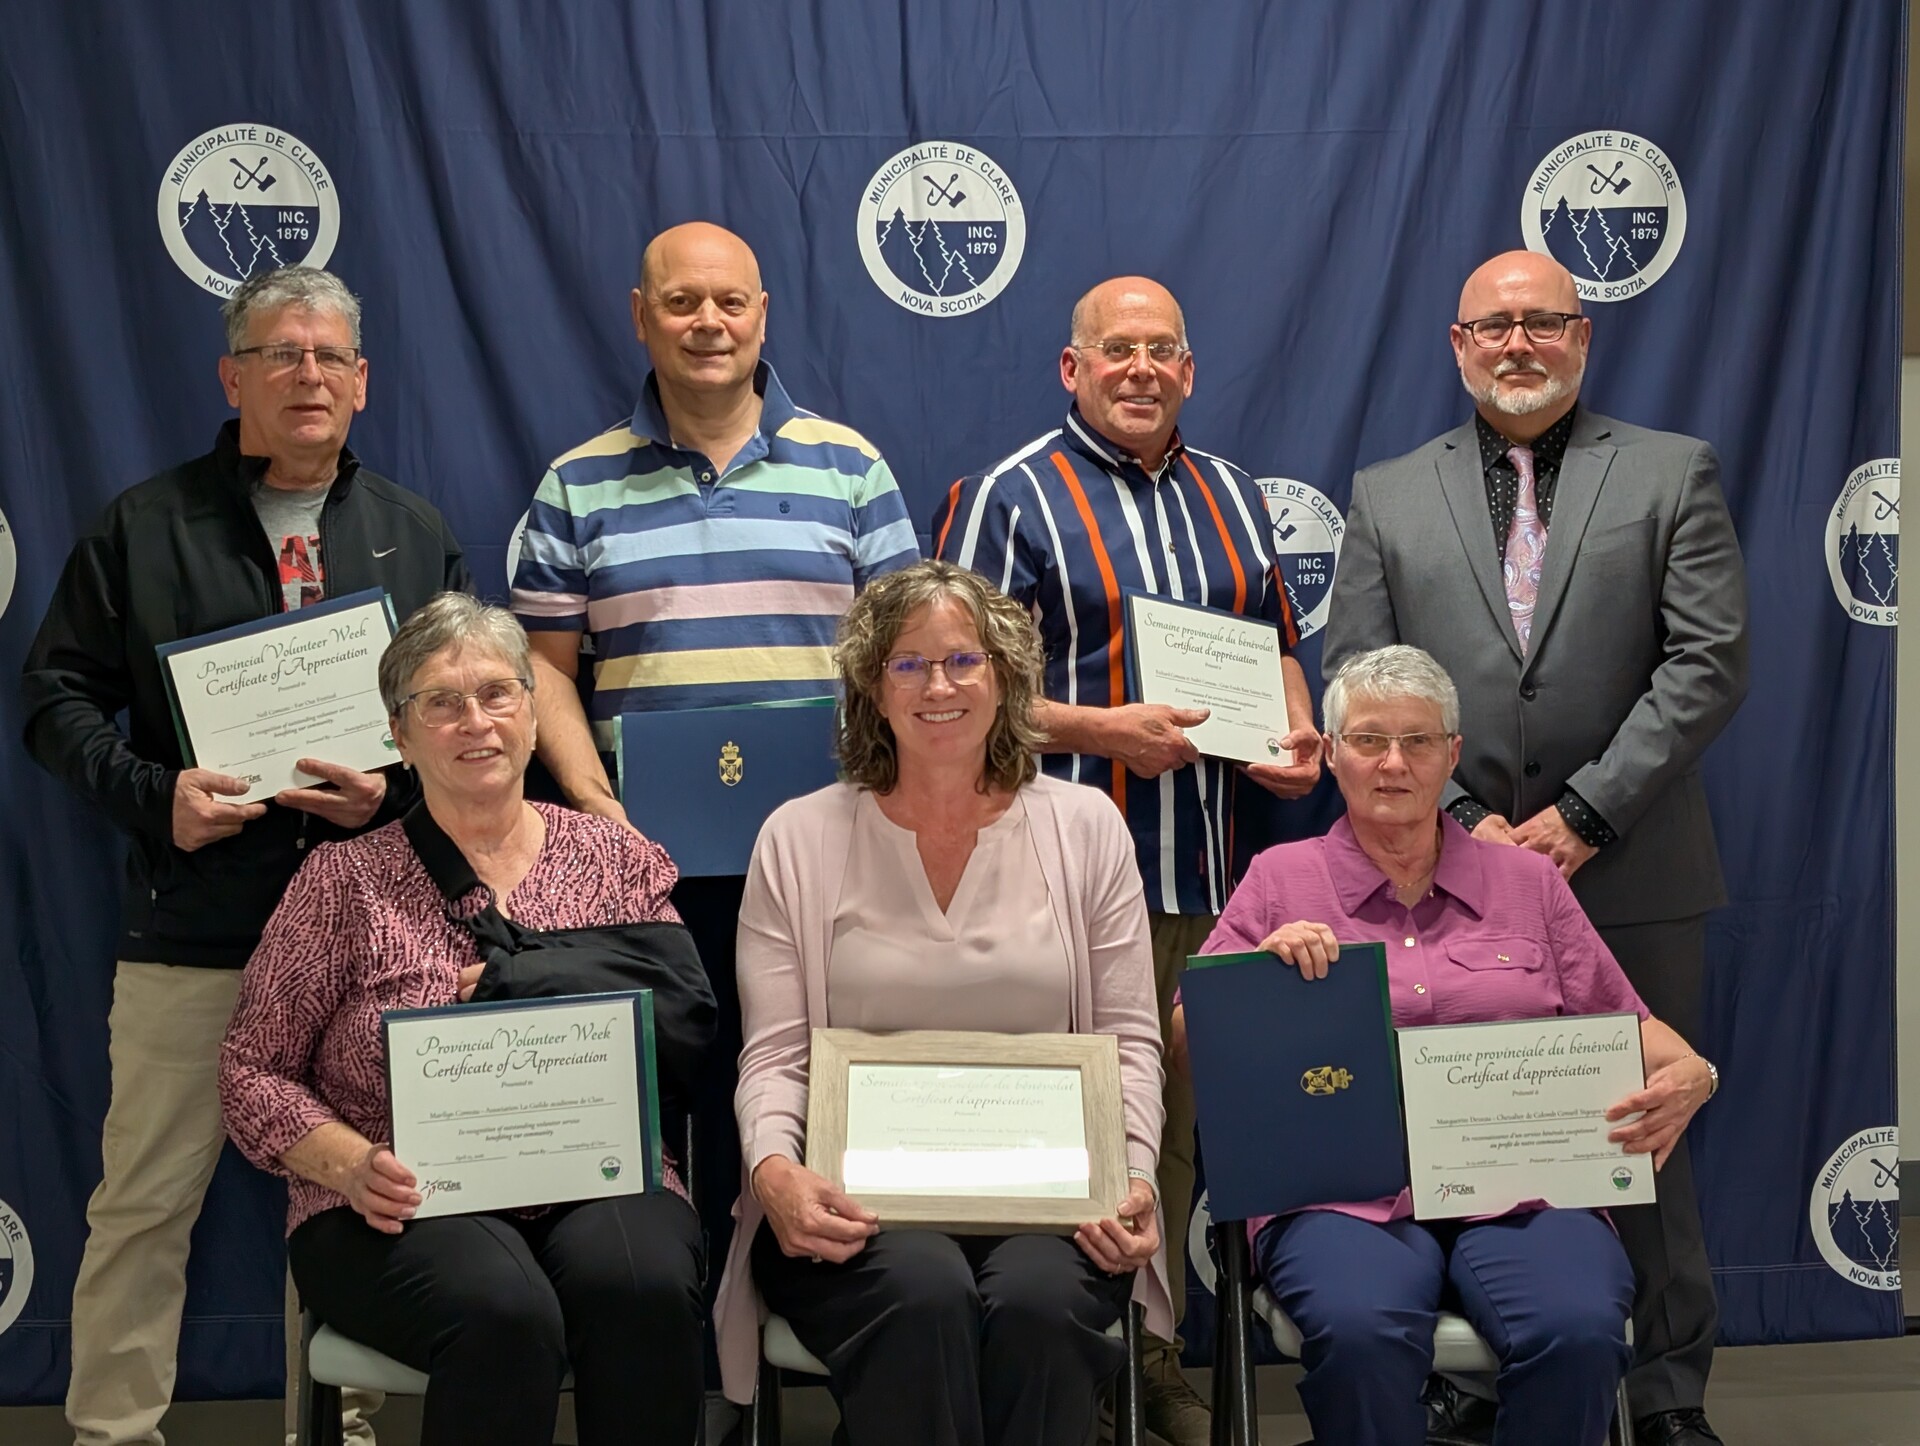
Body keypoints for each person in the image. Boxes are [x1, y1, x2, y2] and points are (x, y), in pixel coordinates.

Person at [20, 265, 467, 1446]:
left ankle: (353, 1428)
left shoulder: (414, 536)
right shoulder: (143, 525)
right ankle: (112, 1433)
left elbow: (472, 725)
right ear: (233, 377)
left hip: (368, 942)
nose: (306, 375)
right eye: (280, 354)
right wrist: (153, 795)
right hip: (195, 930)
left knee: (367, 1200)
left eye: (328, 357)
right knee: (144, 1203)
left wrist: (397, 793)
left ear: (362, 383)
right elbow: (53, 696)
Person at [1322, 250, 1746, 1446]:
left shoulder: (1671, 473)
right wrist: (1459, 825)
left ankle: (1665, 1398)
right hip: (1437, 872)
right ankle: (1475, 1383)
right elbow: (1359, 675)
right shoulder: (1389, 492)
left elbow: (1706, 662)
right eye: (1493, 327)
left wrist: (1581, 818)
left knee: (1643, 1133)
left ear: (1583, 336)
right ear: (1457, 346)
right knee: (1448, 1122)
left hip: (1633, 866)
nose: (1518, 344)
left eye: (1543, 324)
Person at [931, 276, 1319, 1442]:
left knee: (1182, 1134)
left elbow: (1276, 647)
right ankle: (1065, 1366)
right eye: (1117, 351)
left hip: (1214, 882)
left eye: (1162, 351)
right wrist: (1107, 731)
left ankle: (1154, 1359)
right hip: (1054, 886)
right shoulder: (1010, 496)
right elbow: (952, 688)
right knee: (1066, 1125)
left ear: (1189, 371)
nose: (1140, 369)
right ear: (1073, 367)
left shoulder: (1236, 494)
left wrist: (1293, 734)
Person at [509, 219, 920, 1303]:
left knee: (809, 1111)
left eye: (729, 301)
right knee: (665, 1126)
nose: (708, 323)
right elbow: (543, 672)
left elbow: (911, 661)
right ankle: (684, 1375)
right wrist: (596, 803)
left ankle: (797, 1362)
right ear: (641, 316)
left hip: (829, 868)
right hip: (641, 871)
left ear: (763, 314)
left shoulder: (851, 467)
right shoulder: (576, 485)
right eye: (682, 302)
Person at [1171, 646, 1715, 1446]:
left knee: (1578, 1329)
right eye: (1367, 740)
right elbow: (1189, 1047)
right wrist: (1261, 981)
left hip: (1526, 1186)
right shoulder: (1280, 880)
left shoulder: (1529, 885)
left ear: (1451, 756)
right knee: (1358, 1334)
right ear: (1333, 753)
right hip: (1344, 1198)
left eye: (1419, 742)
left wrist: (1695, 1076)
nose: (1394, 763)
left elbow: (1638, 1034)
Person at [218, 594, 708, 1446]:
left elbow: (686, 1027)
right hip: (398, 1198)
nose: (474, 721)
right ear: (399, 736)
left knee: (641, 1283)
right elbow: (251, 1069)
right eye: (441, 702)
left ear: (530, 711)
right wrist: (349, 1163)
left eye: (497, 694)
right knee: (502, 1312)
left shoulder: (616, 857)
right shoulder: (342, 881)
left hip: (596, 1172)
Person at [711, 559, 1172, 1445]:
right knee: (923, 1292)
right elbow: (773, 1057)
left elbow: (1128, 1043)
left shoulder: (1087, 830)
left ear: (1005, 678)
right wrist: (776, 1175)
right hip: (855, 1206)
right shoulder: (797, 838)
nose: (938, 686)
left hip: (1054, 1204)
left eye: (963, 661)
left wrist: (1135, 1178)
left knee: (1038, 1305)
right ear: (870, 690)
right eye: (907, 664)